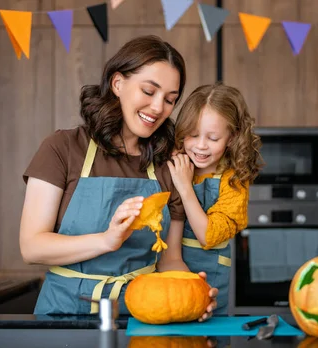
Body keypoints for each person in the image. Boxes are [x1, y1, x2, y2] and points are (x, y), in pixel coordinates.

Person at [19, 35, 218, 319]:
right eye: (149, 91)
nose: (158, 107)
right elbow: (32, 247)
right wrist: (107, 240)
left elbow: (169, 259)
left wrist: (193, 294)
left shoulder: (167, 164)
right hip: (62, 315)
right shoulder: (63, 149)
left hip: (141, 316)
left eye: (170, 100)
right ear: (117, 84)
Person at [167, 82, 263, 315]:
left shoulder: (234, 181)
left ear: (231, 138)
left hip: (210, 280)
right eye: (192, 135)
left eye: (212, 138)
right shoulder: (173, 159)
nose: (200, 146)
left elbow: (207, 236)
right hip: (166, 271)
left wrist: (185, 187)